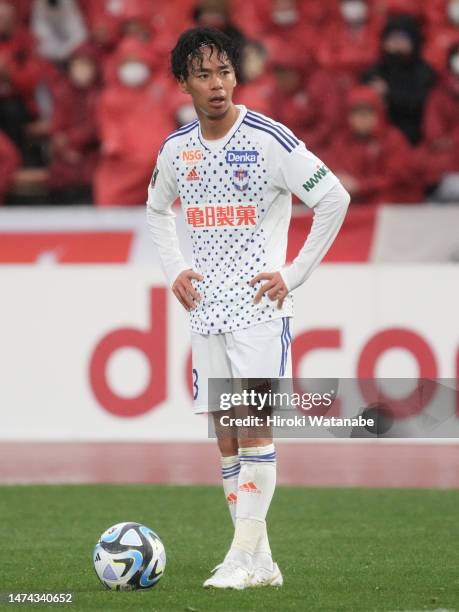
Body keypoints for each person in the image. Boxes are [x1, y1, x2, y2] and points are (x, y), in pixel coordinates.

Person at [146, 27, 350, 589]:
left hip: (259, 308)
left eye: (225, 73)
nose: (217, 85)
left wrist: (293, 274)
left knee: (254, 426)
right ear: (183, 82)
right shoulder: (177, 149)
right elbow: (157, 211)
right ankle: (259, 562)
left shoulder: (270, 140)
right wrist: (175, 270)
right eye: (204, 75)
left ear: (237, 77)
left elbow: (333, 197)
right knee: (227, 432)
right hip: (207, 310)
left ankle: (240, 556)